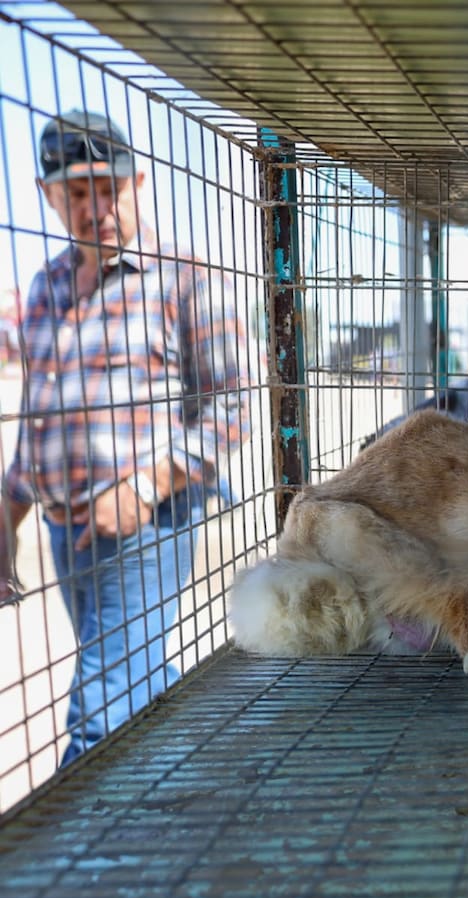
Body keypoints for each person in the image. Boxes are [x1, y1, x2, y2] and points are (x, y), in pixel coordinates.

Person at [0, 110, 254, 766]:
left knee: (101, 714)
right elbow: (40, 414)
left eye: (107, 188)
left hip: (145, 528)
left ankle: (78, 868)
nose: (96, 208)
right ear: (48, 194)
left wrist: (146, 484)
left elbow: (234, 404)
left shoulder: (185, 278)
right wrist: (11, 508)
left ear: (138, 182)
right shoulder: (46, 285)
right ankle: (201, 803)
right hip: (64, 531)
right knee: (140, 683)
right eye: (77, 193)